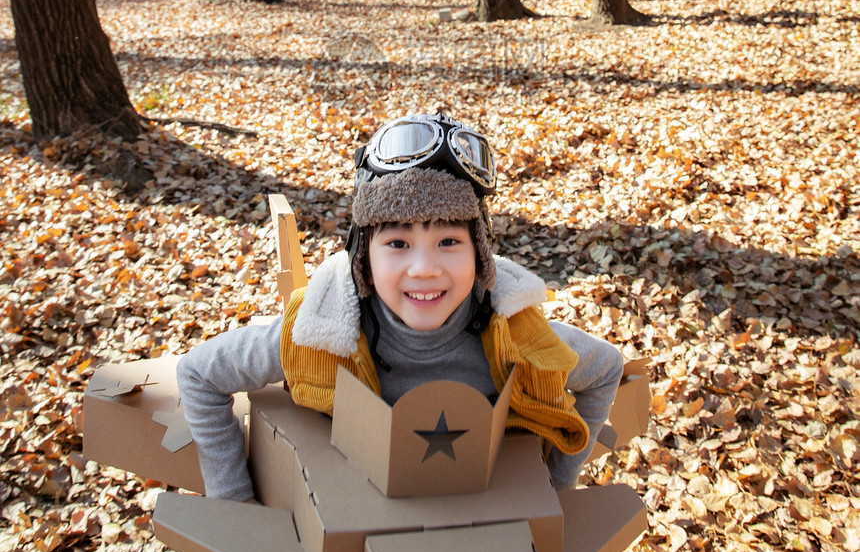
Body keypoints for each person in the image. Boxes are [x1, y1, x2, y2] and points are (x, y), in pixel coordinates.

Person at [177, 113, 624, 501]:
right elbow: (198, 374)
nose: (424, 268)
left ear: (480, 255)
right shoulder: (320, 332)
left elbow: (605, 369)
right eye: (397, 243)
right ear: (364, 259)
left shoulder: (518, 337)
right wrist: (235, 498)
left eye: (449, 242)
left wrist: (556, 487)